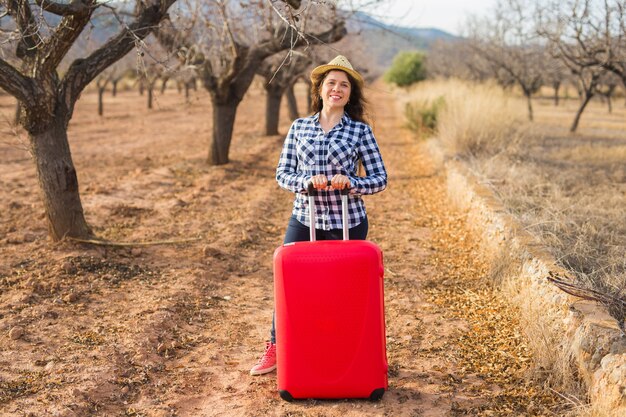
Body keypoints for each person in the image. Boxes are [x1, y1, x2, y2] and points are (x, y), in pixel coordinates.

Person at [249, 55, 388, 376]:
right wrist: (305, 182)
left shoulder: (360, 131)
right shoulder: (299, 127)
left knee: (343, 292)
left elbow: (380, 179)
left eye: (344, 85)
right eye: (331, 83)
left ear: (350, 94)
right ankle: (277, 346)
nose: (336, 89)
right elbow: (283, 174)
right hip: (304, 218)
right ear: (320, 89)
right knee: (291, 285)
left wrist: (351, 182)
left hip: (348, 221)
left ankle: (345, 348)